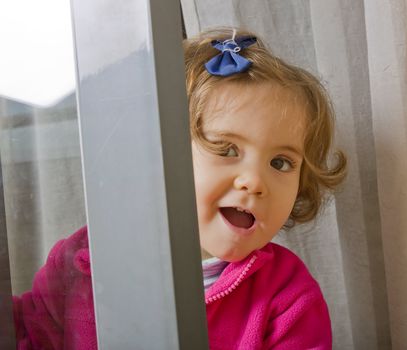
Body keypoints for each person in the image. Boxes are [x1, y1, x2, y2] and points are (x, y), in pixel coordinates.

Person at [13, 27, 347, 349]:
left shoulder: (289, 297)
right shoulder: (81, 261)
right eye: (227, 150)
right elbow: (29, 336)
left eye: (280, 163)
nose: (255, 181)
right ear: (156, 154)